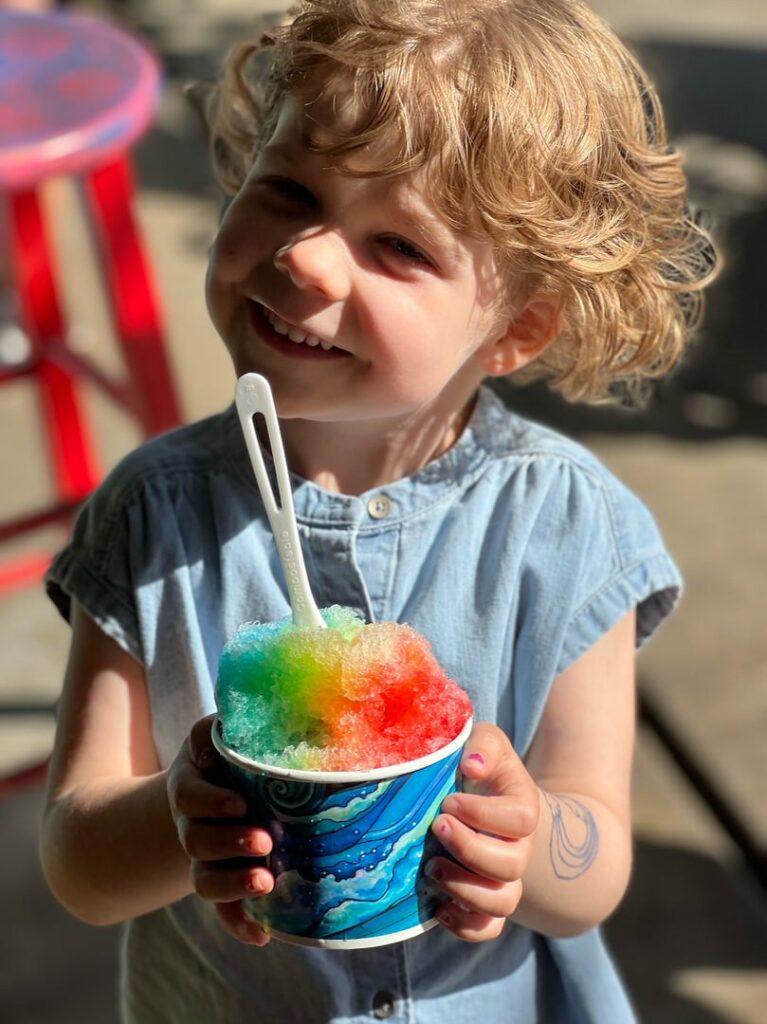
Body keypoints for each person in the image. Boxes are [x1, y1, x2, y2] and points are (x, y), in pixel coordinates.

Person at [39, 1, 717, 1021]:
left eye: (396, 245)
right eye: (287, 189)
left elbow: (592, 864)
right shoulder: (153, 518)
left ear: (514, 329)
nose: (307, 258)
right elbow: (80, 861)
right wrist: (174, 822)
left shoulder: (568, 527)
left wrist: (526, 843)